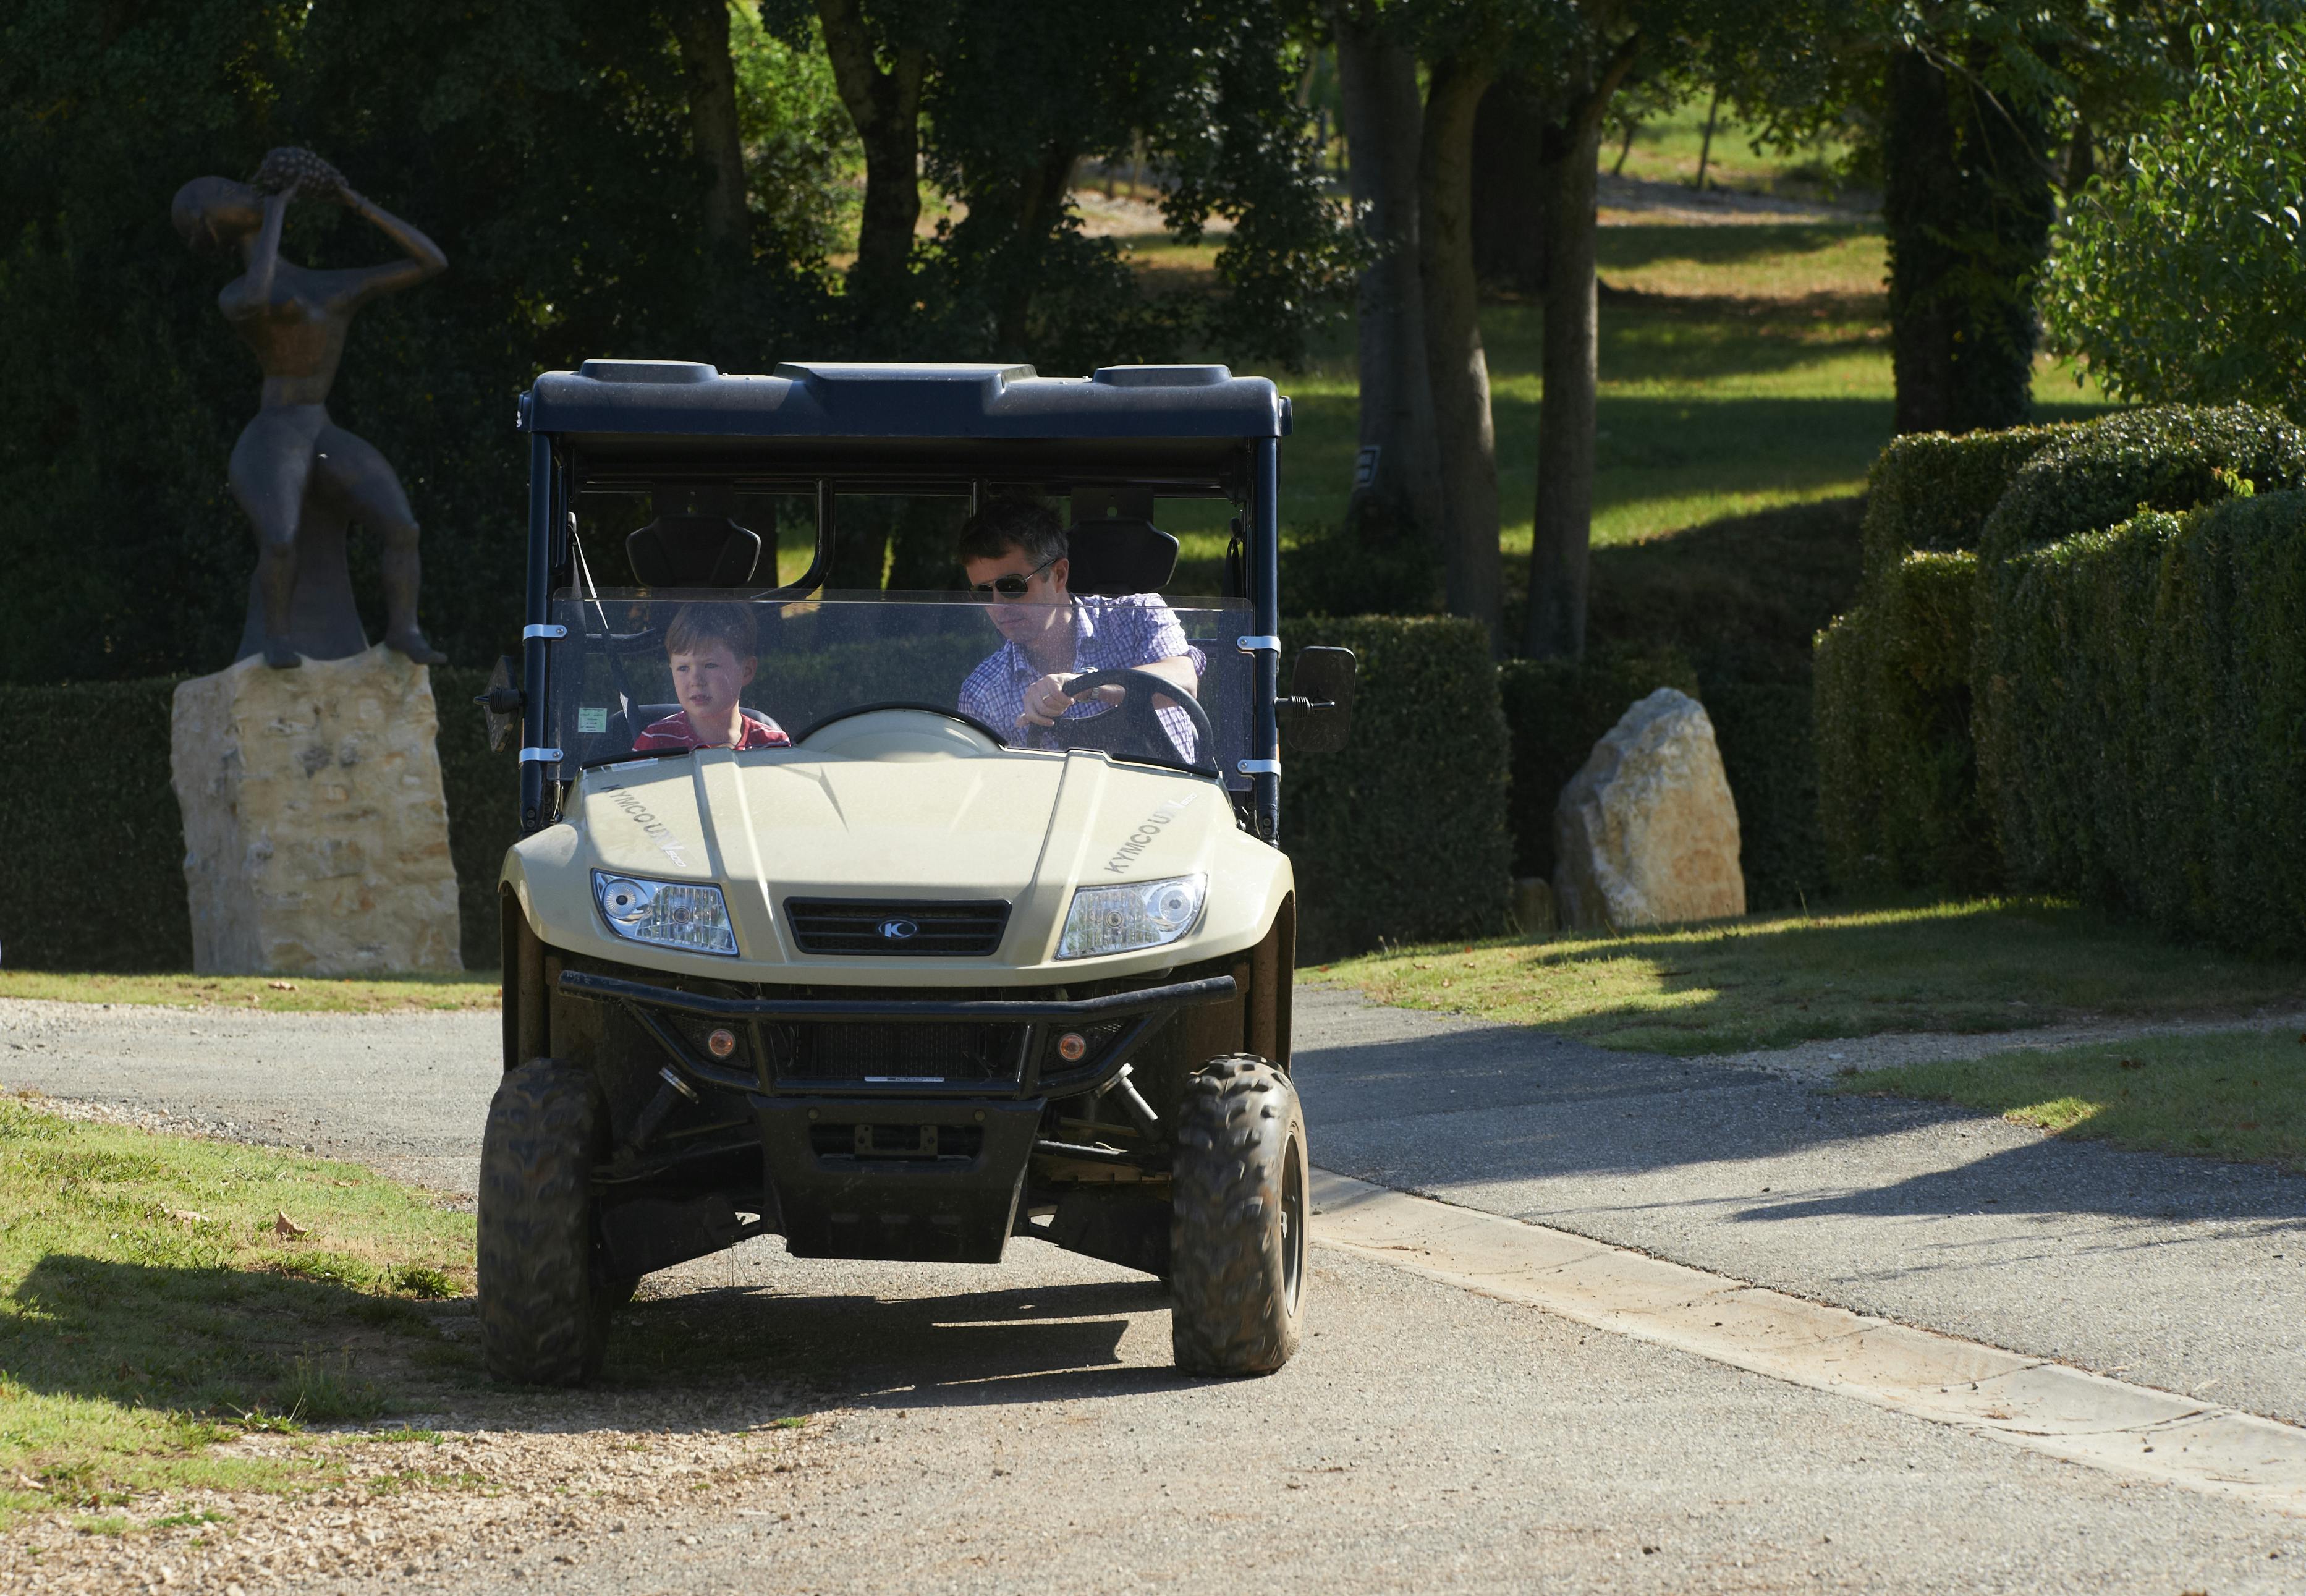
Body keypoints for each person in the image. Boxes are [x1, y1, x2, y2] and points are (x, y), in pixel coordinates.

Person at [172, 146, 449, 668]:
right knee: (279, 539)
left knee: (402, 526)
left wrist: (351, 198)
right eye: (227, 193)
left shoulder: (330, 285)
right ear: (210, 228)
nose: (244, 190)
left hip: (318, 429)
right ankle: (276, 640)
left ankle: (403, 631)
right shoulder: (235, 293)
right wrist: (278, 207)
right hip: (274, 432)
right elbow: (259, 297)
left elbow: (431, 261)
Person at [955, 498, 1203, 760]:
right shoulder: (982, 691)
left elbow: (1184, 683)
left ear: (1059, 575)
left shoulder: (1138, 614)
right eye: (983, 592)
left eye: (1012, 586)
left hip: (1171, 797)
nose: (998, 605)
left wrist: (1087, 684)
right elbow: (986, 789)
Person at [633, 603, 792, 751]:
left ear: (747, 671)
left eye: (710, 665)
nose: (696, 680)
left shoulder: (772, 745)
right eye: (683, 668)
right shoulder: (656, 743)